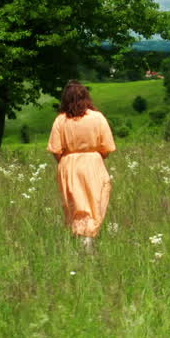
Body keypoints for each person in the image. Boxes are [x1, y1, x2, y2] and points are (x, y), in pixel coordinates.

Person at [47, 80, 117, 249]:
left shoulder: (60, 120)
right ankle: (89, 239)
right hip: (94, 163)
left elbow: (55, 149)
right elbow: (107, 147)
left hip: (69, 164)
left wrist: (65, 162)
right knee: (95, 201)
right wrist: (95, 157)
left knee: (76, 203)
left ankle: (82, 241)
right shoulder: (97, 117)